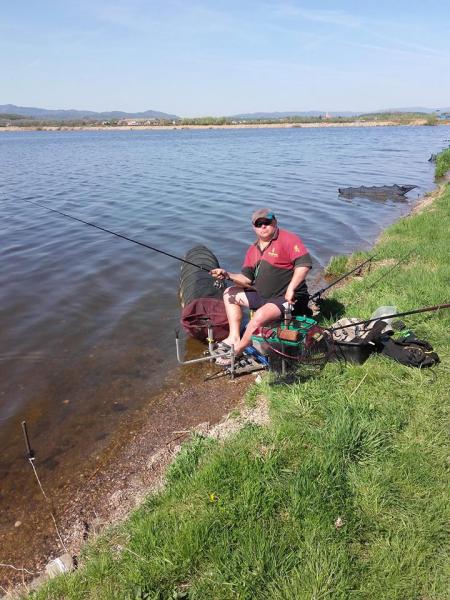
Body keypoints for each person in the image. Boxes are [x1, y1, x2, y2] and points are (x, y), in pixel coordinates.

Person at [210, 208, 312, 364]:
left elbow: (304, 265)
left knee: (260, 316)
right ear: (254, 227)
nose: (263, 226)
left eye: (267, 222)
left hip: (289, 298)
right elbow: (246, 279)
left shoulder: (288, 239)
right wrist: (227, 274)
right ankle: (234, 337)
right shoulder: (253, 249)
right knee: (229, 293)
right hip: (263, 295)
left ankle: (238, 350)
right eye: (259, 224)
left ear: (275, 222)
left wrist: (292, 288)